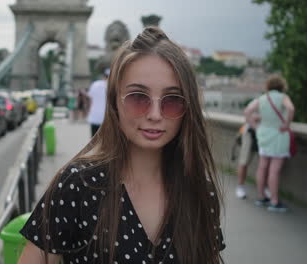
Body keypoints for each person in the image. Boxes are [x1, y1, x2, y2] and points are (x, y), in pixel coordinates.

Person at [18, 27, 225, 264]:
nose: (155, 115)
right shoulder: (77, 185)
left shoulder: (200, 192)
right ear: (114, 102)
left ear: (188, 108)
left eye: (173, 100)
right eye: (138, 97)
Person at [244, 75, 295, 212]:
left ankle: (261, 197)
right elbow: (290, 109)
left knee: (262, 167)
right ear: (282, 86)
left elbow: (247, 111)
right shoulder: (283, 97)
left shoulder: (262, 98)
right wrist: (287, 124)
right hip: (278, 134)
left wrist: (255, 126)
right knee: (274, 170)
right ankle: (274, 201)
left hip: (264, 134)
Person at [231, 122, 258, 199]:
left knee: (265, 162)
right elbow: (247, 113)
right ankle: (240, 187)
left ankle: (265, 188)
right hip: (251, 131)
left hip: (265, 131)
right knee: (244, 161)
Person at [86, 68, 109, 136]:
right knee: (106, 141)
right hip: (107, 118)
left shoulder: (95, 84)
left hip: (94, 117)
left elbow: (90, 100)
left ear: (104, 76)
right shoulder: (113, 86)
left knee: (94, 140)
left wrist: (88, 110)